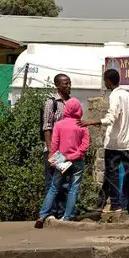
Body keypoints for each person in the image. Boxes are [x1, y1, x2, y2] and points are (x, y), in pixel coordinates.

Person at [81, 71, 129, 219]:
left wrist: (93, 121)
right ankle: (125, 209)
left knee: (112, 176)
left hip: (116, 143)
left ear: (108, 81)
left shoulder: (115, 95)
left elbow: (112, 116)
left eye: (105, 81)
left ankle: (116, 206)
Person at [35, 98, 89, 228]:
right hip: (77, 161)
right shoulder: (82, 125)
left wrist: (54, 158)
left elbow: (54, 144)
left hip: (61, 159)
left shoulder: (59, 124)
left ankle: (43, 215)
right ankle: (67, 216)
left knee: (54, 187)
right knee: (73, 189)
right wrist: (74, 155)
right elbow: (85, 146)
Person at [41, 73, 72, 219]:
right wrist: (50, 150)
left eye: (69, 83)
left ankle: (62, 213)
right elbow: (47, 127)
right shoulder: (51, 103)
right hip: (54, 151)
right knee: (52, 182)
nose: (68, 86)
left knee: (65, 183)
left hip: (66, 151)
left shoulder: (71, 103)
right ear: (57, 86)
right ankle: (50, 214)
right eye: (65, 83)